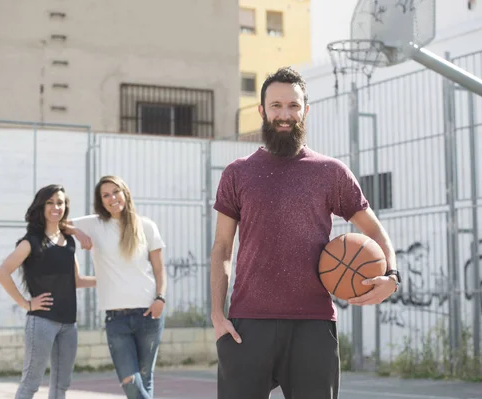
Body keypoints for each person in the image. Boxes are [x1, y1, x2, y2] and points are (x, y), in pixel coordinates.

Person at [210, 67, 401, 399]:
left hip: (313, 323)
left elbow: (373, 229)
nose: (285, 115)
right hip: (248, 323)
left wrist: (392, 275)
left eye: (293, 106)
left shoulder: (330, 172)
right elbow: (222, 246)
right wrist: (216, 314)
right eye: (276, 106)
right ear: (262, 111)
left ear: (306, 110)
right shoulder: (237, 173)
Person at [67, 175, 167, 399]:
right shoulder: (94, 224)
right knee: (130, 381)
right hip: (117, 319)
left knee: (145, 379)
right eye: (106, 195)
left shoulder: (147, 226)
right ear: (100, 201)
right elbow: (55, 224)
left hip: (149, 313)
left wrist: (160, 298)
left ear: (125, 193)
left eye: (116, 192)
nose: (112, 198)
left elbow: (159, 269)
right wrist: (78, 232)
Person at [0, 184, 96, 399]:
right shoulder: (31, 242)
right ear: (41, 207)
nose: (55, 207)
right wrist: (26, 303)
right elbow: (2, 273)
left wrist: (107, 280)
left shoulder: (69, 241)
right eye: (49, 202)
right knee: (30, 384)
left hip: (69, 324)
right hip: (42, 322)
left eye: (59, 202)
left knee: (61, 386)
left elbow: (76, 280)